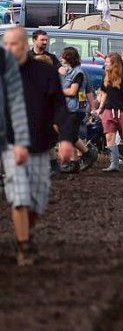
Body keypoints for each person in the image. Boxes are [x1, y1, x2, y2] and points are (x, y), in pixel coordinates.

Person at [3, 26, 62, 266]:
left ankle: (23, 233)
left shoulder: (44, 72)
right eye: (5, 45)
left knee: (37, 200)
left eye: (13, 44)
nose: (8, 49)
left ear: (25, 44)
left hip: (39, 143)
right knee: (20, 196)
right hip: (10, 143)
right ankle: (24, 245)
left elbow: (58, 105)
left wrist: (67, 137)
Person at [58, 47, 97, 173]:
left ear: (68, 57)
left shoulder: (78, 73)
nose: (61, 58)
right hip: (69, 108)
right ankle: (77, 161)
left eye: (63, 56)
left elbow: (73, 91)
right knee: (72, 135)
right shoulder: (70, 72)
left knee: (68, 135)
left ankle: (85, 155)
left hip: (75, 109)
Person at [97, 53, 123, 173]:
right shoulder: (107, 75)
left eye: (108, 62)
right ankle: (113, 163)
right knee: (109, 136)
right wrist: (100, 107)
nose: (105, 64)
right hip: (109, 109)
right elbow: (104, 92)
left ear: (114, 63)